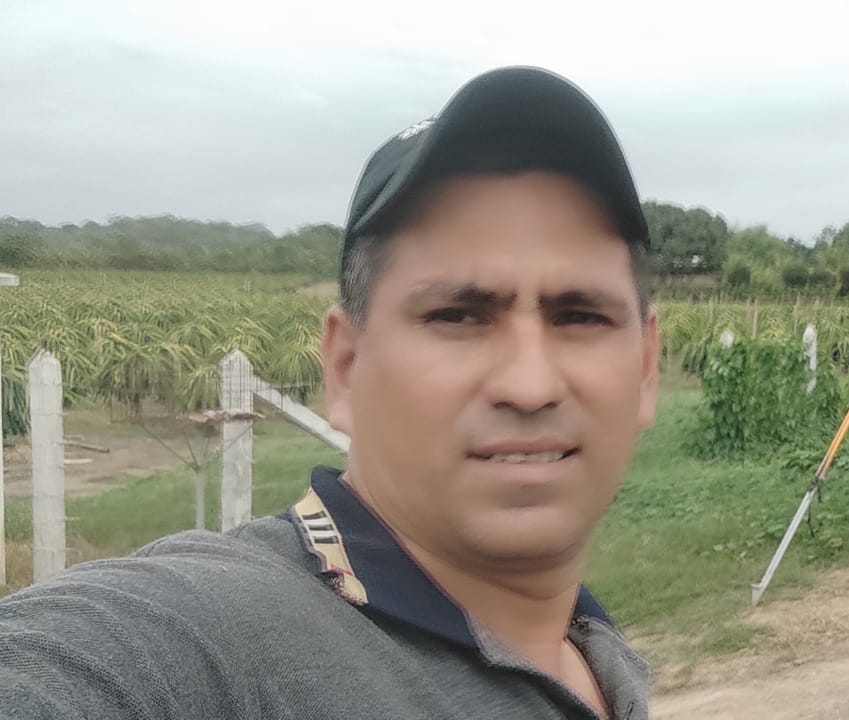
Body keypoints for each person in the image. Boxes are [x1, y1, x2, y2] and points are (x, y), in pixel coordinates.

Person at [0, 66, 660, 720]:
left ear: (645, 369)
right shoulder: (218, 639)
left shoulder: (595, 653)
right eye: (457, 316)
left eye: (581, 316)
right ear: (345, 367)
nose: (529, 384)